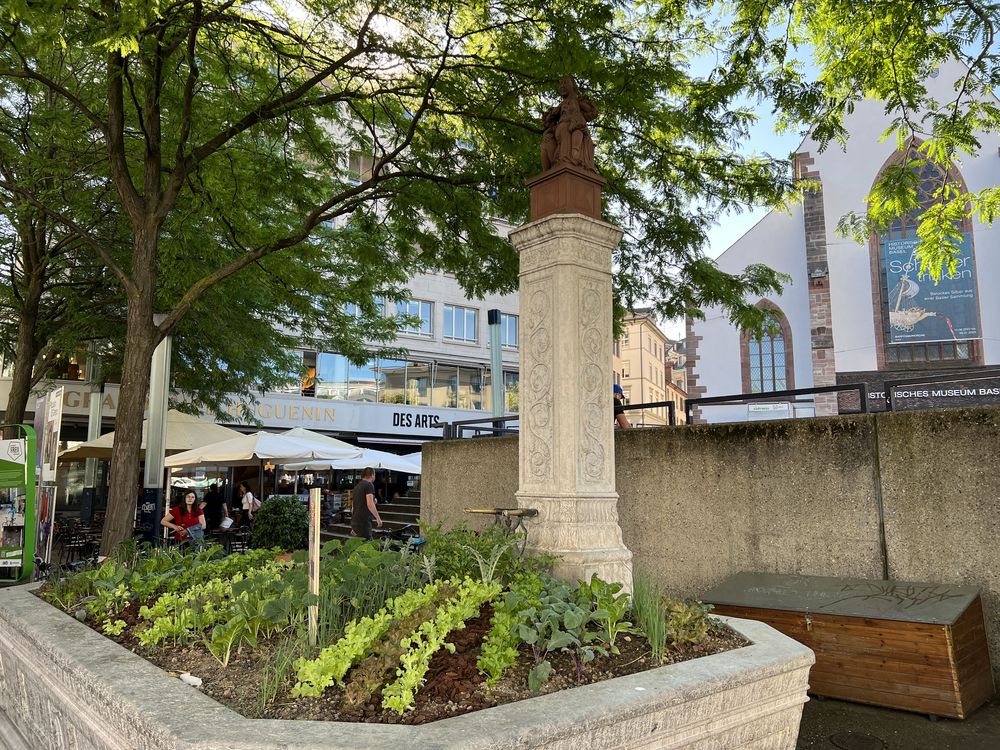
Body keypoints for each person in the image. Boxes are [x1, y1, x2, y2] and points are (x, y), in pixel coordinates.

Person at [350, 467, 383, 541]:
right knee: (367, 545)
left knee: (360, 545)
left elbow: (353, 506)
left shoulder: (357, 487)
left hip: (355, 520)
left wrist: (353, 525)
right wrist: (378, 518)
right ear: (372, 475)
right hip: (364, 521)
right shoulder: (369, 485)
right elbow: (370, 504)